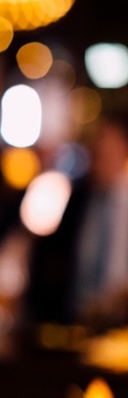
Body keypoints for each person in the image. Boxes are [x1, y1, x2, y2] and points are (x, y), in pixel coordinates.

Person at [25, 112, 128, 331]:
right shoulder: (77, 198)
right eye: (97, 149)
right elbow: (49, 257)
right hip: (74, 323)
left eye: (108, 150)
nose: (100, 156)